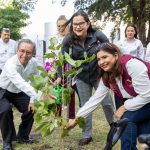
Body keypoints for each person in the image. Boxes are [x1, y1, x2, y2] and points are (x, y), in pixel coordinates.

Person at [68, 43, 150, 150]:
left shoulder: (132, 65)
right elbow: (95, 99)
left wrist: (124, 107)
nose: (101, 62)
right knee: (139, 131)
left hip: (147, 98)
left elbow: (147, 95)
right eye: (98, 59)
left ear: (116, 55)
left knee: (127, 121)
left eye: (105, 57)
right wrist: (77, 118)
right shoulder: (107, 75)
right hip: (138, 101)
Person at [55, 10, 114, 146]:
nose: (78, 26)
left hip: (99, 75)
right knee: (85, 105)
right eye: (75, 24)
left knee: (106, 103)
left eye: (81, 23)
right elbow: (61, 59)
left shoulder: (97, 36)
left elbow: (110, 50)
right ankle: (87, 135)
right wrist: (59, 76)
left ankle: (114, 127)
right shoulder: (68, 40)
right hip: (81, 77)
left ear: (87, 24)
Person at [0, 39, 41, 150]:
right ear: (17, 51)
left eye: (28, 52)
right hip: (3, 90)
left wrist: (33, 100)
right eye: (22, 51)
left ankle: (23, 136)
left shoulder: (34, 63)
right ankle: (7, 142)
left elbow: (38, 82)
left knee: (32, 108)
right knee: (5, 110)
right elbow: (20, 82)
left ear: (33, 54)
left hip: (19, 91)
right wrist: (35, 95)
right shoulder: (10, 63)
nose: (24, 55)